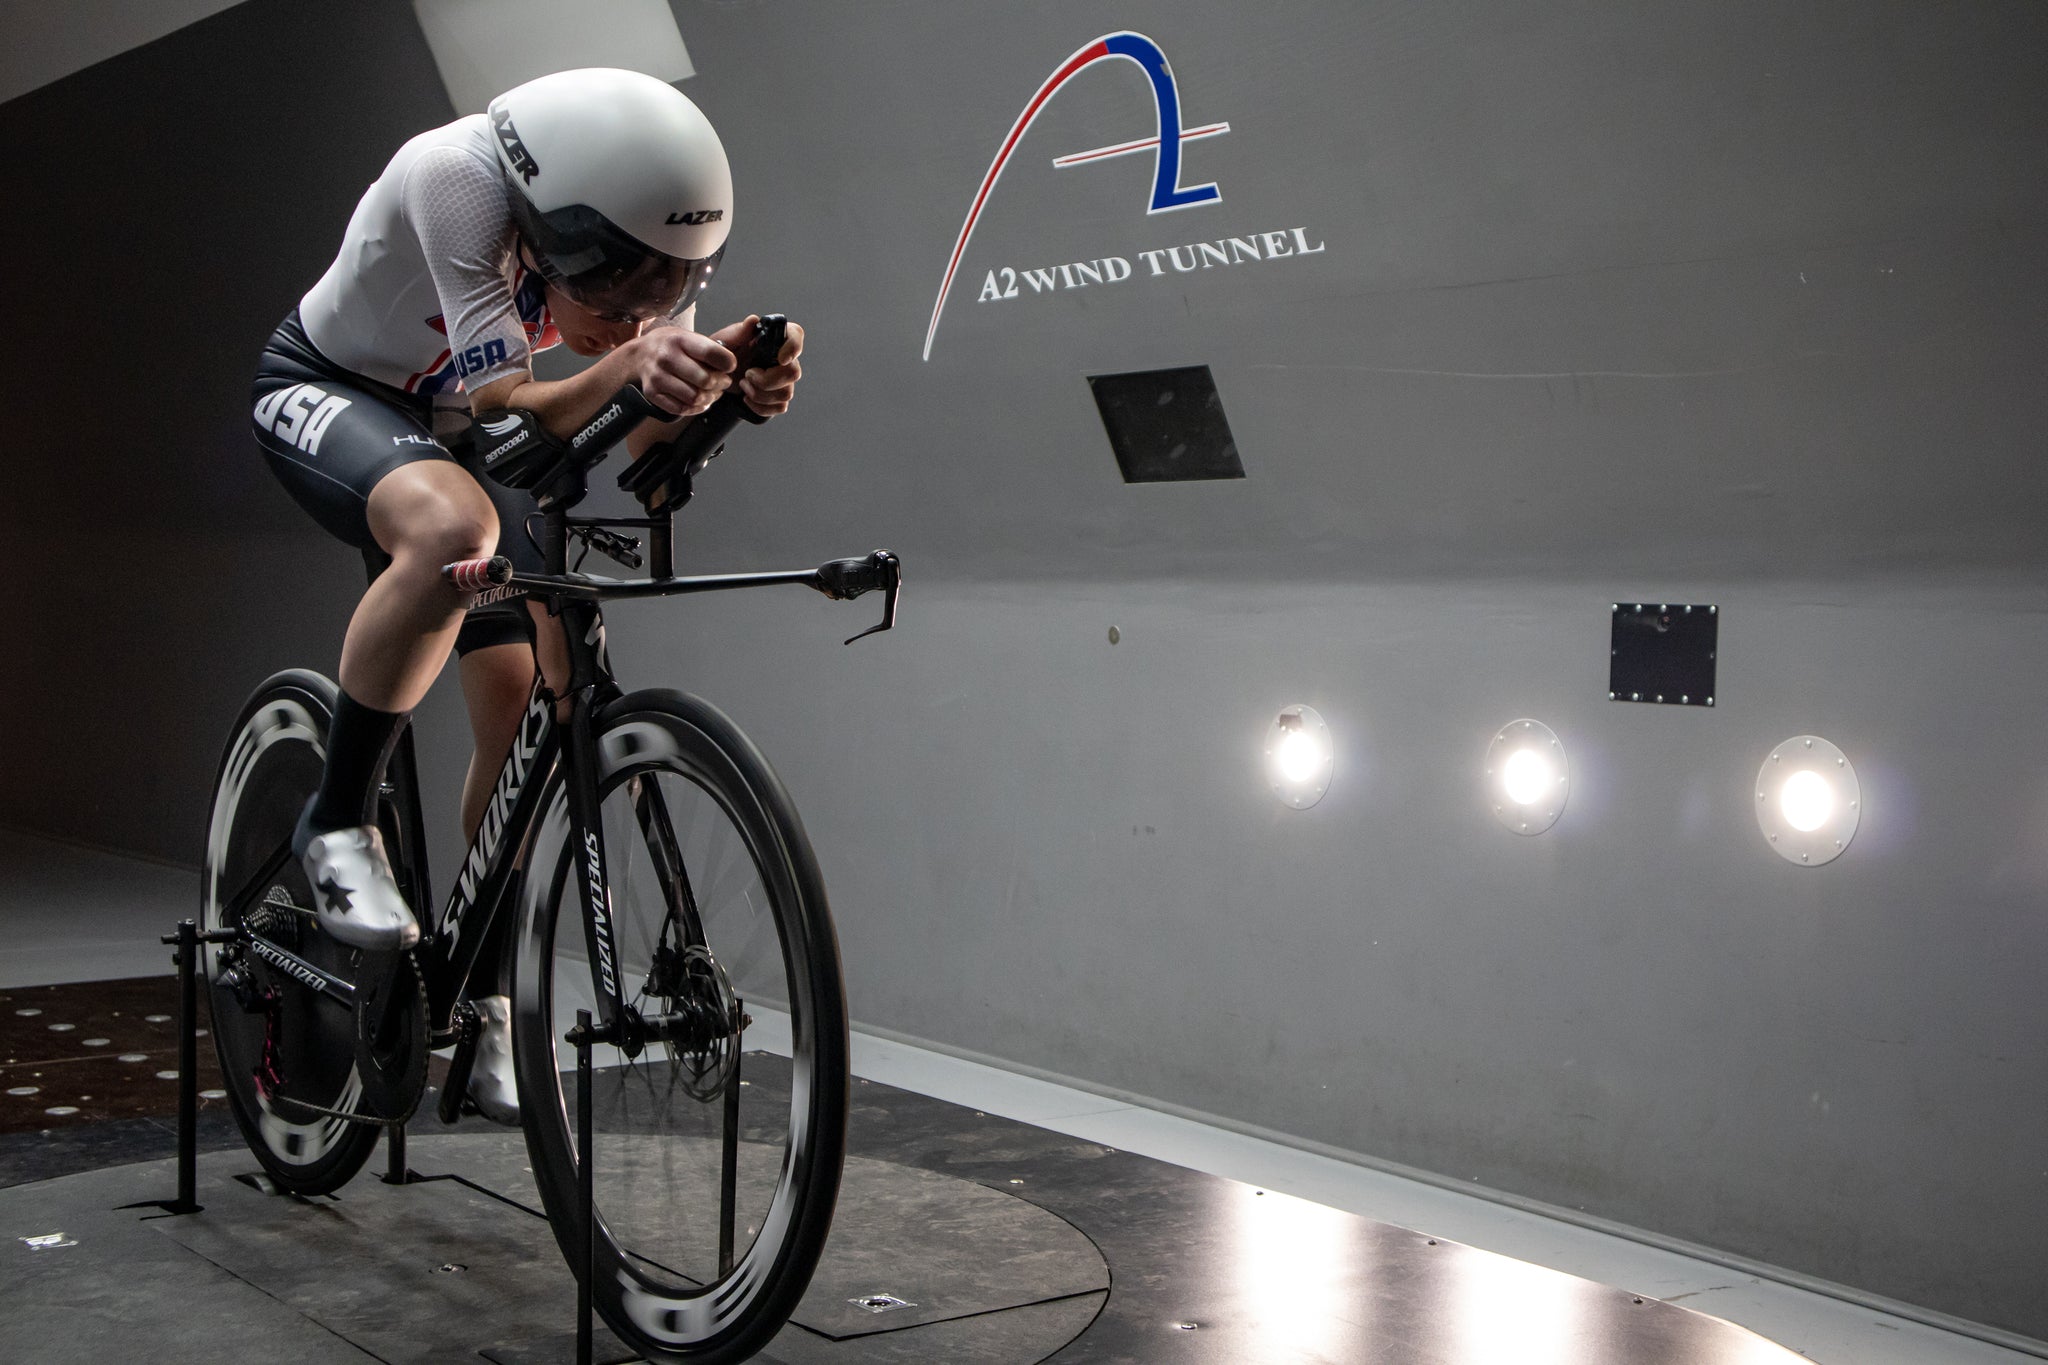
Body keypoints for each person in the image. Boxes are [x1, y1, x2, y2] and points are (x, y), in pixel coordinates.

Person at [249, 67, 804, 1121]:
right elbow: (511, 416)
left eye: (664, 284)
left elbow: (639, 435)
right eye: (612, 282)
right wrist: (641, 359)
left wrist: (730, 388)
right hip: (338, 390)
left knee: (526, 712)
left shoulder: (646, 239)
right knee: (457, 525)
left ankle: (490, 998)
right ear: (549, 225)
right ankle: (334, 823)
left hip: (456, 427)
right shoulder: (455, 177)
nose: (638, 304)